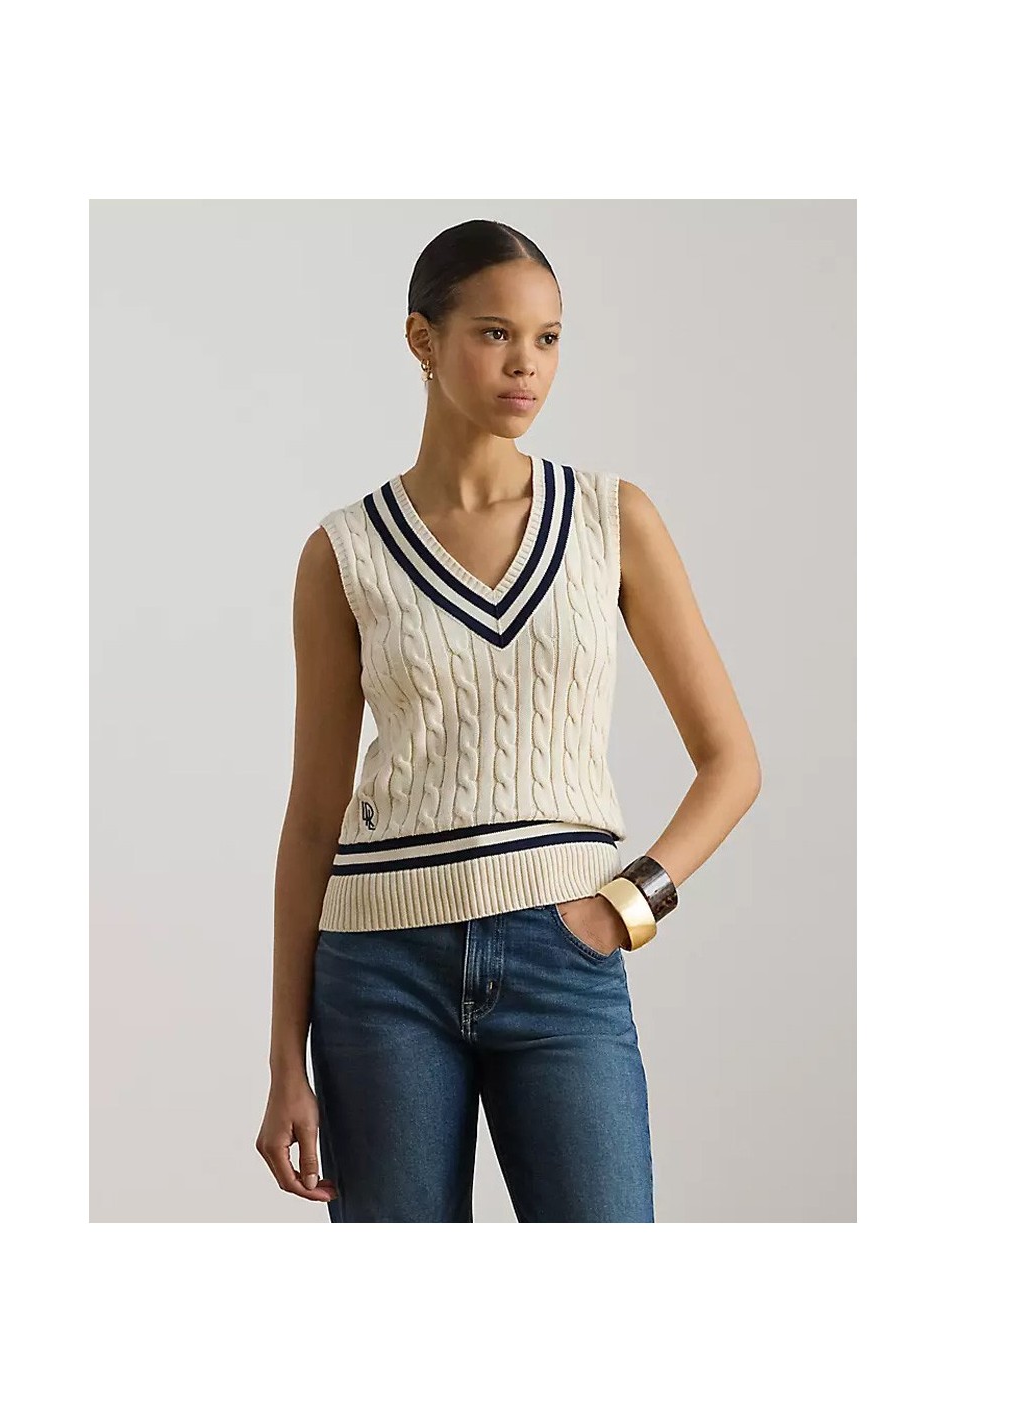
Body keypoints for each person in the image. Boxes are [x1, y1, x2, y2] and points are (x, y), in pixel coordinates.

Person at [255, 218, 762, 1222]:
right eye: (494, 333)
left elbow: (731, 762)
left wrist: (623, 908)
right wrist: (283, 1062)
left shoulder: (612, 520)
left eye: (547, 337)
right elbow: (313, 817)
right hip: (379, 975)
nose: (526, 364)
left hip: (563, 961)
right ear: (422, 339)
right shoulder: (344, 554)